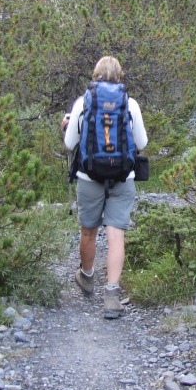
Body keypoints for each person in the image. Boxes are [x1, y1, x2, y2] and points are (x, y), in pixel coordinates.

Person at [62, 56, 148, 319]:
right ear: (120, 75)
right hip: (123, 177)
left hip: (89, 177)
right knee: (116, 234)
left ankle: (87, 277)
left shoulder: (82, 102)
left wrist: (67, 125)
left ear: (95, 74)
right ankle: (111, 294)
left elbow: (69, 144)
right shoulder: (129, 103)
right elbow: (141, 143)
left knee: (88, 231)